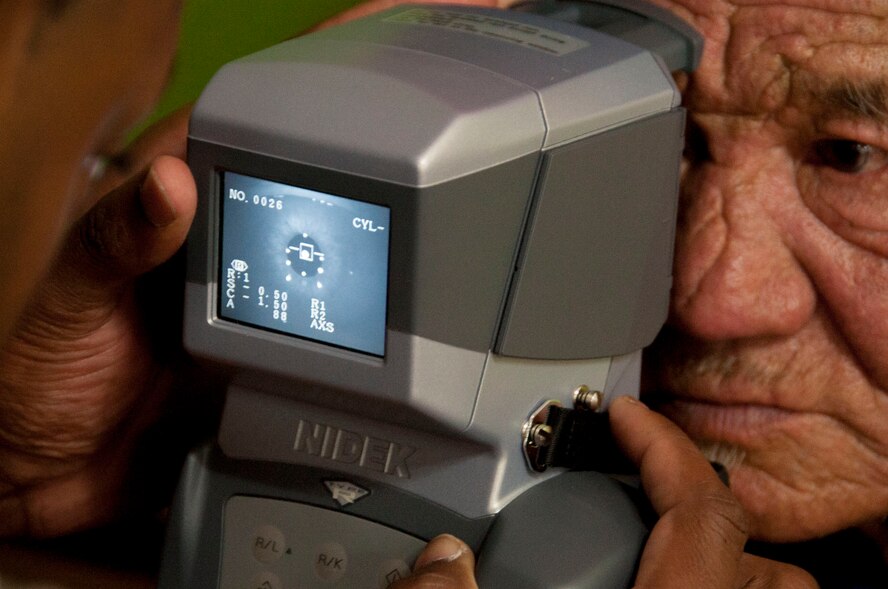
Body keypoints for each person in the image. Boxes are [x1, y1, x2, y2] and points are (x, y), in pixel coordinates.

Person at [0, 1, 881, 589]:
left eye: (852, 156)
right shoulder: (145, 459)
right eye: (667, 142)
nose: (704, 297)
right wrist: (35, 490)